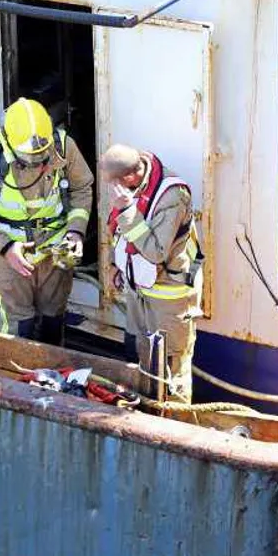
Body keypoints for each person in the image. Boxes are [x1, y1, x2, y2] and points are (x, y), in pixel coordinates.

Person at [0, 98, 94, 345]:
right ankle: (15, 379)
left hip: (58, 251)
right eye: (30, 159)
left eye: (43, 157)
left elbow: (82, 187)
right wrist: (4, 247)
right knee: (17, 324)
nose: (40, 165)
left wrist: (75, 231)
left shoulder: (64, 146)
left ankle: (53, 377)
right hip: (12, 254)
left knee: (54, 320)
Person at [102, 144, 203, 403]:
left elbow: (156, 252)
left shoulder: (173, 196)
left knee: (172, 369)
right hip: (139, 291)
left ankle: (176, 426)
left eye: (114, 184)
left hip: (169, 298)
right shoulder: (133, 187)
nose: (111, 191)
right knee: (142, 358)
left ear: (129, 178)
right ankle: (148, 414)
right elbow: (120, 233)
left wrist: (126, 211)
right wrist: (117, 265)